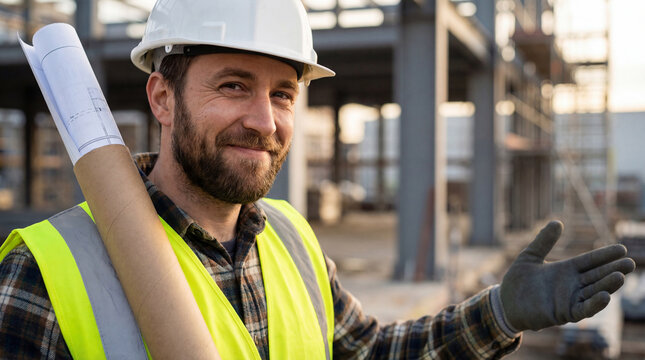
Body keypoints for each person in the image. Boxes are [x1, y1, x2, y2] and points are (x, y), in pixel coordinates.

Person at [0, 0, 635, 358]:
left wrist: (498, 311)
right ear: (162, 98)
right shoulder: (45, 274)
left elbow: (368, 356)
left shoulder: (293, 243)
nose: (263, 120)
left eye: (282, 94)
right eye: (232, 86)